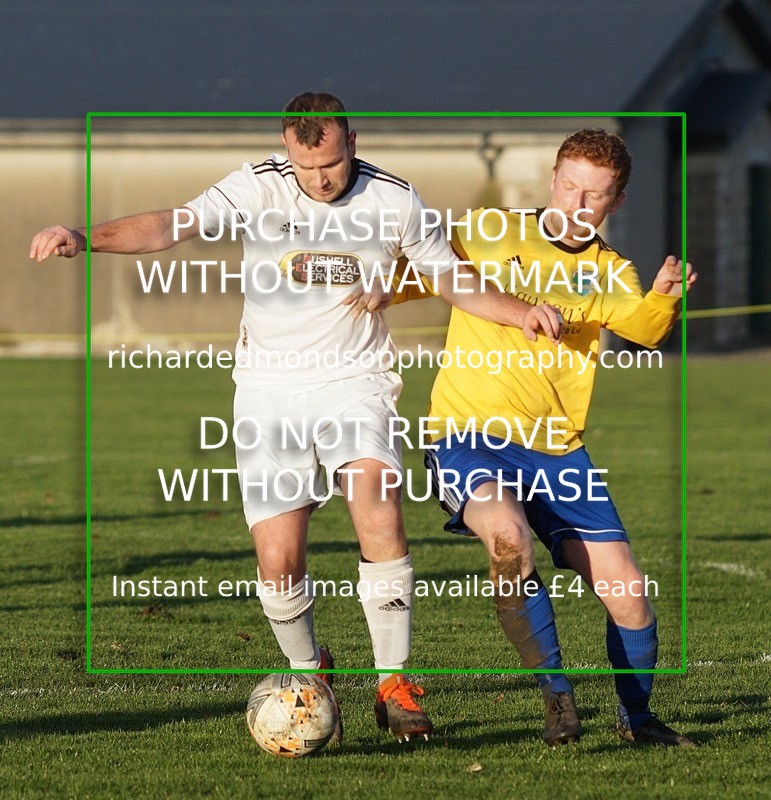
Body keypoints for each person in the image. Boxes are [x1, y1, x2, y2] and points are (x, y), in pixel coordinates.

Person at [29, 92, 561, 744]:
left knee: (377, 501)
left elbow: (451, 278)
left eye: (331, 165)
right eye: (307, 167)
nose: (320, 179)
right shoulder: (257, 187)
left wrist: (518, 312)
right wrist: (85, 238)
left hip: (353, 384)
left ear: (352, 144)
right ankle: (310, 673)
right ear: (288, 152)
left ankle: (395, 682)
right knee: (278, 560)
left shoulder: (393, 200)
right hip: (267, 391)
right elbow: (172, 224)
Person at [422, 129, 698, 747]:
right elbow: (420, 276)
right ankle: (557, 697)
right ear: (552, 178)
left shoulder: (609, 272)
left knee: (629, 596)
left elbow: (647, 328)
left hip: (558, 451)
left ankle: (639, 719)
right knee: (507, 538)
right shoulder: (486, 232)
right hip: (470, 433)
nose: (576, 205)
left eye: (593, 197)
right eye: (569, 186)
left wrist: (663, 298)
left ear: (614, 203)